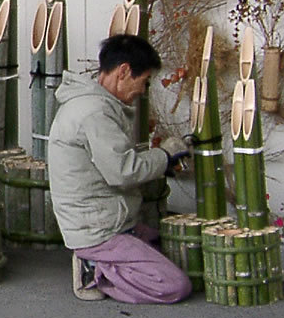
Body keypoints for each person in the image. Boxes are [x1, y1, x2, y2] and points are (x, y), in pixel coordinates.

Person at [48, 34, 191, 304]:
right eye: (144, 81)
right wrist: (164, 156)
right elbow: (122, 171)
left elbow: (113, 160)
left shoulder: (95, 104)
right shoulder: (95, 113)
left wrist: (161, 160)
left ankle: (104, 262)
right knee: (175, 285)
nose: (143, 91)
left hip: (109, 220)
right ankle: (96, 271)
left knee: (171, 246)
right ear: (124, 71)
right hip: (99, 230)